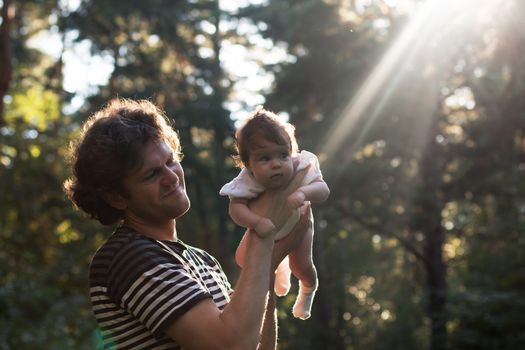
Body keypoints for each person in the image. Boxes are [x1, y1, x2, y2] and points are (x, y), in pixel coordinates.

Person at [63, 98, 311, 349]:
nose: (172, 177)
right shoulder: (127, 257)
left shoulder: (203, 261)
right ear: (116, 197)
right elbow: (231, 346)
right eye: (151, 174)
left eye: (170, 161)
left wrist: (268, 265)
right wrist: (265, 233)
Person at [219, 106, 330, 320]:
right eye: (265, 159)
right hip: (266, 227)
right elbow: (236, 208)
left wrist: (304, 192)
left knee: (302, 265)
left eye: (282, 154)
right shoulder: (247, 181)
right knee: (243, 259)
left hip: (297, 223)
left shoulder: (301, 166)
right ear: (248, 164)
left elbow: (323, 190)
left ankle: (308, 289)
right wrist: (256, 221)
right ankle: (281, 266)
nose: (276, 164)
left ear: (291, 152)